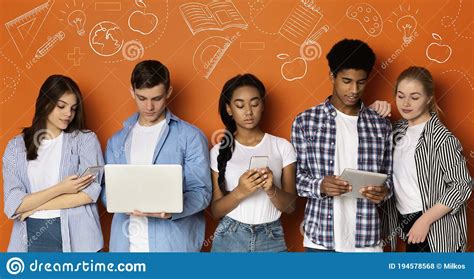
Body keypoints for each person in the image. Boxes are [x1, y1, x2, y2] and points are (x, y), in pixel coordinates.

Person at [291, 39, 393, 252]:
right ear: (332, 76)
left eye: (361, 82)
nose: (354, 90)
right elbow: (294, 178)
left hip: (366, 239)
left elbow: (391, 178)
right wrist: (319, 185)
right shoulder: (305, 122)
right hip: (320, 238)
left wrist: (384, 191)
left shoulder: (381, 124)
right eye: (346, 81)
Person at [103, 60, 212, 252]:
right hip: (125, 247)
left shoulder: (191, 136)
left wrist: (171, 210)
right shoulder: (117, 141)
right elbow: (106, 192)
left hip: (172, 248)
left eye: (157, 98)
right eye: (142, 98)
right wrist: (117, 199)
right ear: (132, 92)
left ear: (169, 92)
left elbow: (202, 192)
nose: (149, 106)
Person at [2, 75, 104, 252]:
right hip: (32, 235)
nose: (68, 114)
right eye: (61, 106)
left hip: (80, 238)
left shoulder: (86, 141)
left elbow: (89, 194)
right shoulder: (16, 146)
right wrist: (61, 188)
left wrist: (35, 206)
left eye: (73, 108)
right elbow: (13, 204)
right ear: (45, 103)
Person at [384, 66, 472, 252]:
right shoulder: (395, 130)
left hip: (436, 230)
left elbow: (462, 185)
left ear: (429, 98)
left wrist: (425, 220)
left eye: (415, 97)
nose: (406, 103)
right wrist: (374, 109)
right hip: (406, 223)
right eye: (400, 96)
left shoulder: (442, 138)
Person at [209, 74, 297, 252]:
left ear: (262, 105)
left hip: (271, 236)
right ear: (229, 109)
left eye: (255, 104)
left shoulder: (282, 147)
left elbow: (291, 207)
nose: (248, 111)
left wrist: (271, 189)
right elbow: (216, 211)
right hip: (230, 235)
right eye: (240, 105)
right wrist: (240, 191)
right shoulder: (218, 151)